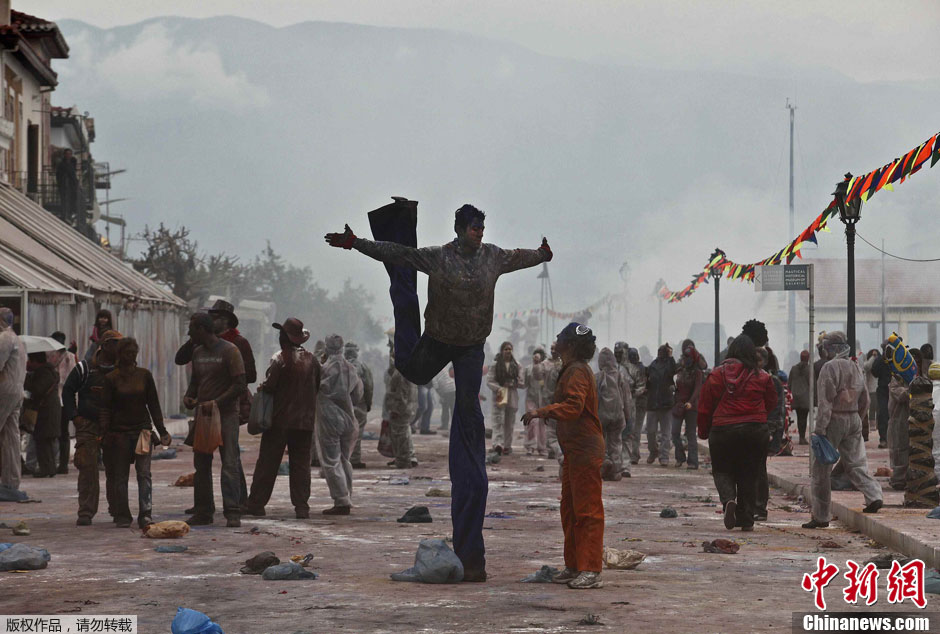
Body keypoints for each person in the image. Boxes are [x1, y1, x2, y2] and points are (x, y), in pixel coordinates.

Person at [325, 199, 551, 581]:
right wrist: (356, 243)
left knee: (468, 415)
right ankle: (399, 218)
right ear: (460, 229)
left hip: (470, 347)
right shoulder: (438, 257)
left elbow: (521, 257)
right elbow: (398, 253)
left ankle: (471, 547)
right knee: (409, 363)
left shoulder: (493, 256)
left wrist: (543, 254)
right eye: (475, 226)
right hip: (437, 340)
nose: (480, 232)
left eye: (483, 226)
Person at [523, 323, 604, 590]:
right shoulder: (569, 369)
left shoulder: (578, 371)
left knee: (587, 510)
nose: (554, 341)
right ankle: (574, 565)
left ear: (569, 345)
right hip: (574, 451)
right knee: (569, 510)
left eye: (559, 338)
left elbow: (573, 406)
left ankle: (590, 569)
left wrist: (541, 412)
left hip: (585, 449)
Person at [177, 300, 256, 511]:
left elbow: (245, 380)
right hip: (205, 412)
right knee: (202, 463)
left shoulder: (235, 346)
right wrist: (190, 396)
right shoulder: (199, 350)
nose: (214, 320)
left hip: (228, 410)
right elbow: (189, 372)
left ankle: (235, 506)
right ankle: (204, 508)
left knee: (230, 460)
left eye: (217, 317)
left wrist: (219, 399)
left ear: (226, 320)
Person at [803, 331, 883, 528]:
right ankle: (874, 495)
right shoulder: (856, 367)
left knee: (821, 470)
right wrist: (858, 418)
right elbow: (866, 399)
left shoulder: (829, 368)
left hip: (834, 420)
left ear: (829, 348)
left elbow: (825, 402)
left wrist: (820, 429)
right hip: (853, 417)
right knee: (856, 463)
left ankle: (821, 516)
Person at [697, 335, 776, 532]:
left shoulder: (716, 375)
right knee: (750, 474)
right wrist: (757, 416)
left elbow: (705, 406)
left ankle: (728, 500)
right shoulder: (763, 377)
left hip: (723, 431)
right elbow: (771, 402)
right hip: (754, 431)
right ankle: (747, 518)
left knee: (722, 470)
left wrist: (704, 431)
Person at [245, 319, 320, 519]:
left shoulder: (280, 359)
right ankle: (301, 506)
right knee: (301, 466)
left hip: (279, 421)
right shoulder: (312, 360)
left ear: (284, 338)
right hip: (304, 422)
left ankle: (256, 504)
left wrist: (262, 388)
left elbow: (270, 386)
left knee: (268, 464)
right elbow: (317, 387)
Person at [100, 338, 171, 529]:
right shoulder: (111, 378)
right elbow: (105, 409)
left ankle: (145, 514)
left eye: (133, 352)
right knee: (120, 476)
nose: (131, 356)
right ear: (120, 354)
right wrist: (104, 434)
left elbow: (153, 405)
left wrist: (162, 431)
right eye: (127, 352)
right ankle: (123, 515)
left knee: (144, 474)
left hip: (143, 432)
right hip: (119, 434)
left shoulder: (144, 376)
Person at [62, 329, 122, 525]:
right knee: (88, 468)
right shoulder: (84, 368)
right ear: (104, 345)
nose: (119, 348)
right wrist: (75, 417)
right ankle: (86, 512)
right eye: (115, 343)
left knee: (115, 469)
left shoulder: (123, 369)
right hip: (88, 424)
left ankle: (118, 510)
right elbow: (68, 391)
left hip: (114, 427)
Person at [316, 334, 363, 515]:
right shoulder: (351, 369)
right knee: (345, 459)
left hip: (329, 418)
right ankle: (347, 496)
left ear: (327, 348)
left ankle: (341, 501)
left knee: (331, 461)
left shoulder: (324, 369)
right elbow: (358, 394)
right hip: (348, 418)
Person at [595, 347, 631, 480]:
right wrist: (627, 416)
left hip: (601, 415)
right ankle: (616, 470)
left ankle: (604, 462)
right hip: (618, 416)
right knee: (616, 442)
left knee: (601, 441)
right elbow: (627, 399)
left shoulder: (597, 377)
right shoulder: (620, 376)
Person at [0, 308, 26, 492]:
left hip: (4, 390)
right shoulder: (18, 339)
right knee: (11, 437)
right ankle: (11, 483)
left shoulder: (4, 338)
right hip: (17, 391)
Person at [24, 351, 61, 478]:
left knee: (43, 440)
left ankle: (46, 469)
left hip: (45, 411)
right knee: (46, 441)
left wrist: (27, 381)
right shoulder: (49, 371)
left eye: (30, 361)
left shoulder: (43, 373)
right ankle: (49, 468)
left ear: (36, 361)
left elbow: (38, 390)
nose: (28, 363)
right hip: (49, 410)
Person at [385, 346, 418, 469]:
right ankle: (407, 457)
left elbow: (400, 395)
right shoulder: (407, 369)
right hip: (408, 408)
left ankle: (403, 461)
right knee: (405, 433)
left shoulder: (400, 374)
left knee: (400, 435)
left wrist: (395, 410)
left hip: (401, 409)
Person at [48, 332, 77, 474]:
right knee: (54, 431)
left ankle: (63, 464)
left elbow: (72, 378)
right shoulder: (49, 355)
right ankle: (53, 462)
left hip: (63, 399)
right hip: (53, 398)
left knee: (63, 432)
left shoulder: (69, 357)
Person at [487, 341, 522, 455]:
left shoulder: (517, 365)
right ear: (502, 351)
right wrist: (499, 388)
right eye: (506, 349)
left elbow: (522, 382)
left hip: (512, 394)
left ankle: (507, 446)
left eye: (509, 349)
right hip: (500, 394)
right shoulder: (495, 364)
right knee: (498, 420)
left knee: (509, 422)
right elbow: (489, 381)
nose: (508, 351)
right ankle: (497, 444)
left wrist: (513, 383)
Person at [672, 340, 703, 470]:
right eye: (685, 357)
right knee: (674, 432)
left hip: (692, 406)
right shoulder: (680, 370)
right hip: (679, 404)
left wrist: (690, 402)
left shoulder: (697, 372)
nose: (686, 359)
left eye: (689, 357)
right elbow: (675, 384)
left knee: (691, 434)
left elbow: (697, 389)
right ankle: (680, 457)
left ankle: (693, 461)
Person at [645, 344, 677, 465]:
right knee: (650, 432)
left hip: (666, 404)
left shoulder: (670, 364)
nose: (660, 354)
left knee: (666, 433)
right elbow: (647, 379)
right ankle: (653, 451)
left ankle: (664, 456)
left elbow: (673, 370)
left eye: (663, 352)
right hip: (653, 403)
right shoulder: (653, 365)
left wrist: (671, 357)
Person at [346, 342, 374, 469]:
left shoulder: (339, 366)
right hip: (360, 404)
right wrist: (368, 403)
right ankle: (354, 459)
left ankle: (344, 458)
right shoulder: (362, 367)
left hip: (343, 405)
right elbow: (368, 386)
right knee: (357, 432)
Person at [622, 347, 647, 466]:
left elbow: (641, 387)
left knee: (635, 431)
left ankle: (634, 455)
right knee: (628, 431)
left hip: (639, 404)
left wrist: (631, 394)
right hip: (628, 404)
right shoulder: (625, 369)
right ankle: (629, 454)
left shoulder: (640, 370)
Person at [522, 348, 549, 456]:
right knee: (532, 422)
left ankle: (542, 447)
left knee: (542, 423)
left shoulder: (546, 369)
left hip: (543, 399)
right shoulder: (528, 369)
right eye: (534, 356)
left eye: (538, 357)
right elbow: (525, 383)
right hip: (531, 398)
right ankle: (530, 446)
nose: (535, 358)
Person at [543, 343, 564, 463]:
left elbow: (549, 390)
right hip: (570, 406)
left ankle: (561, 456)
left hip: (556, 405)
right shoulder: (575, 367)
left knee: (551, 433)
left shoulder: (556, 369)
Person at [788, 351, 812, 445]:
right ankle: (802, 438)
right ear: (808, 358)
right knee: (804, 418)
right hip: (805, 398)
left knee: (799, 417)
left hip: (796, 398)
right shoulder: (810, 369)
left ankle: (801, 437)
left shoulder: (794, 369)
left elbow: (789, 383)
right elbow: (812, 384)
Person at [56, 148, 80, 223]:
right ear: (64, 155)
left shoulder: (73, 163)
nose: (68, 155)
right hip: (64, 185)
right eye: (67, 154)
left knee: (72, 200)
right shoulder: (61, 164)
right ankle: (65, 215)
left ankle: (70, 214)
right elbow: (59, 174)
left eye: (69, 154)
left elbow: (73, 174)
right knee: (64, 200)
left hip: (72, 186)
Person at [432, 365, 456, 431]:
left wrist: (441, 395)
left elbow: (435, 385)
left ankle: (445, 425)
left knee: (445, 408)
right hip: (454, 388)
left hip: (446, 390)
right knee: (453, 408)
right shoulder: (444, 368)